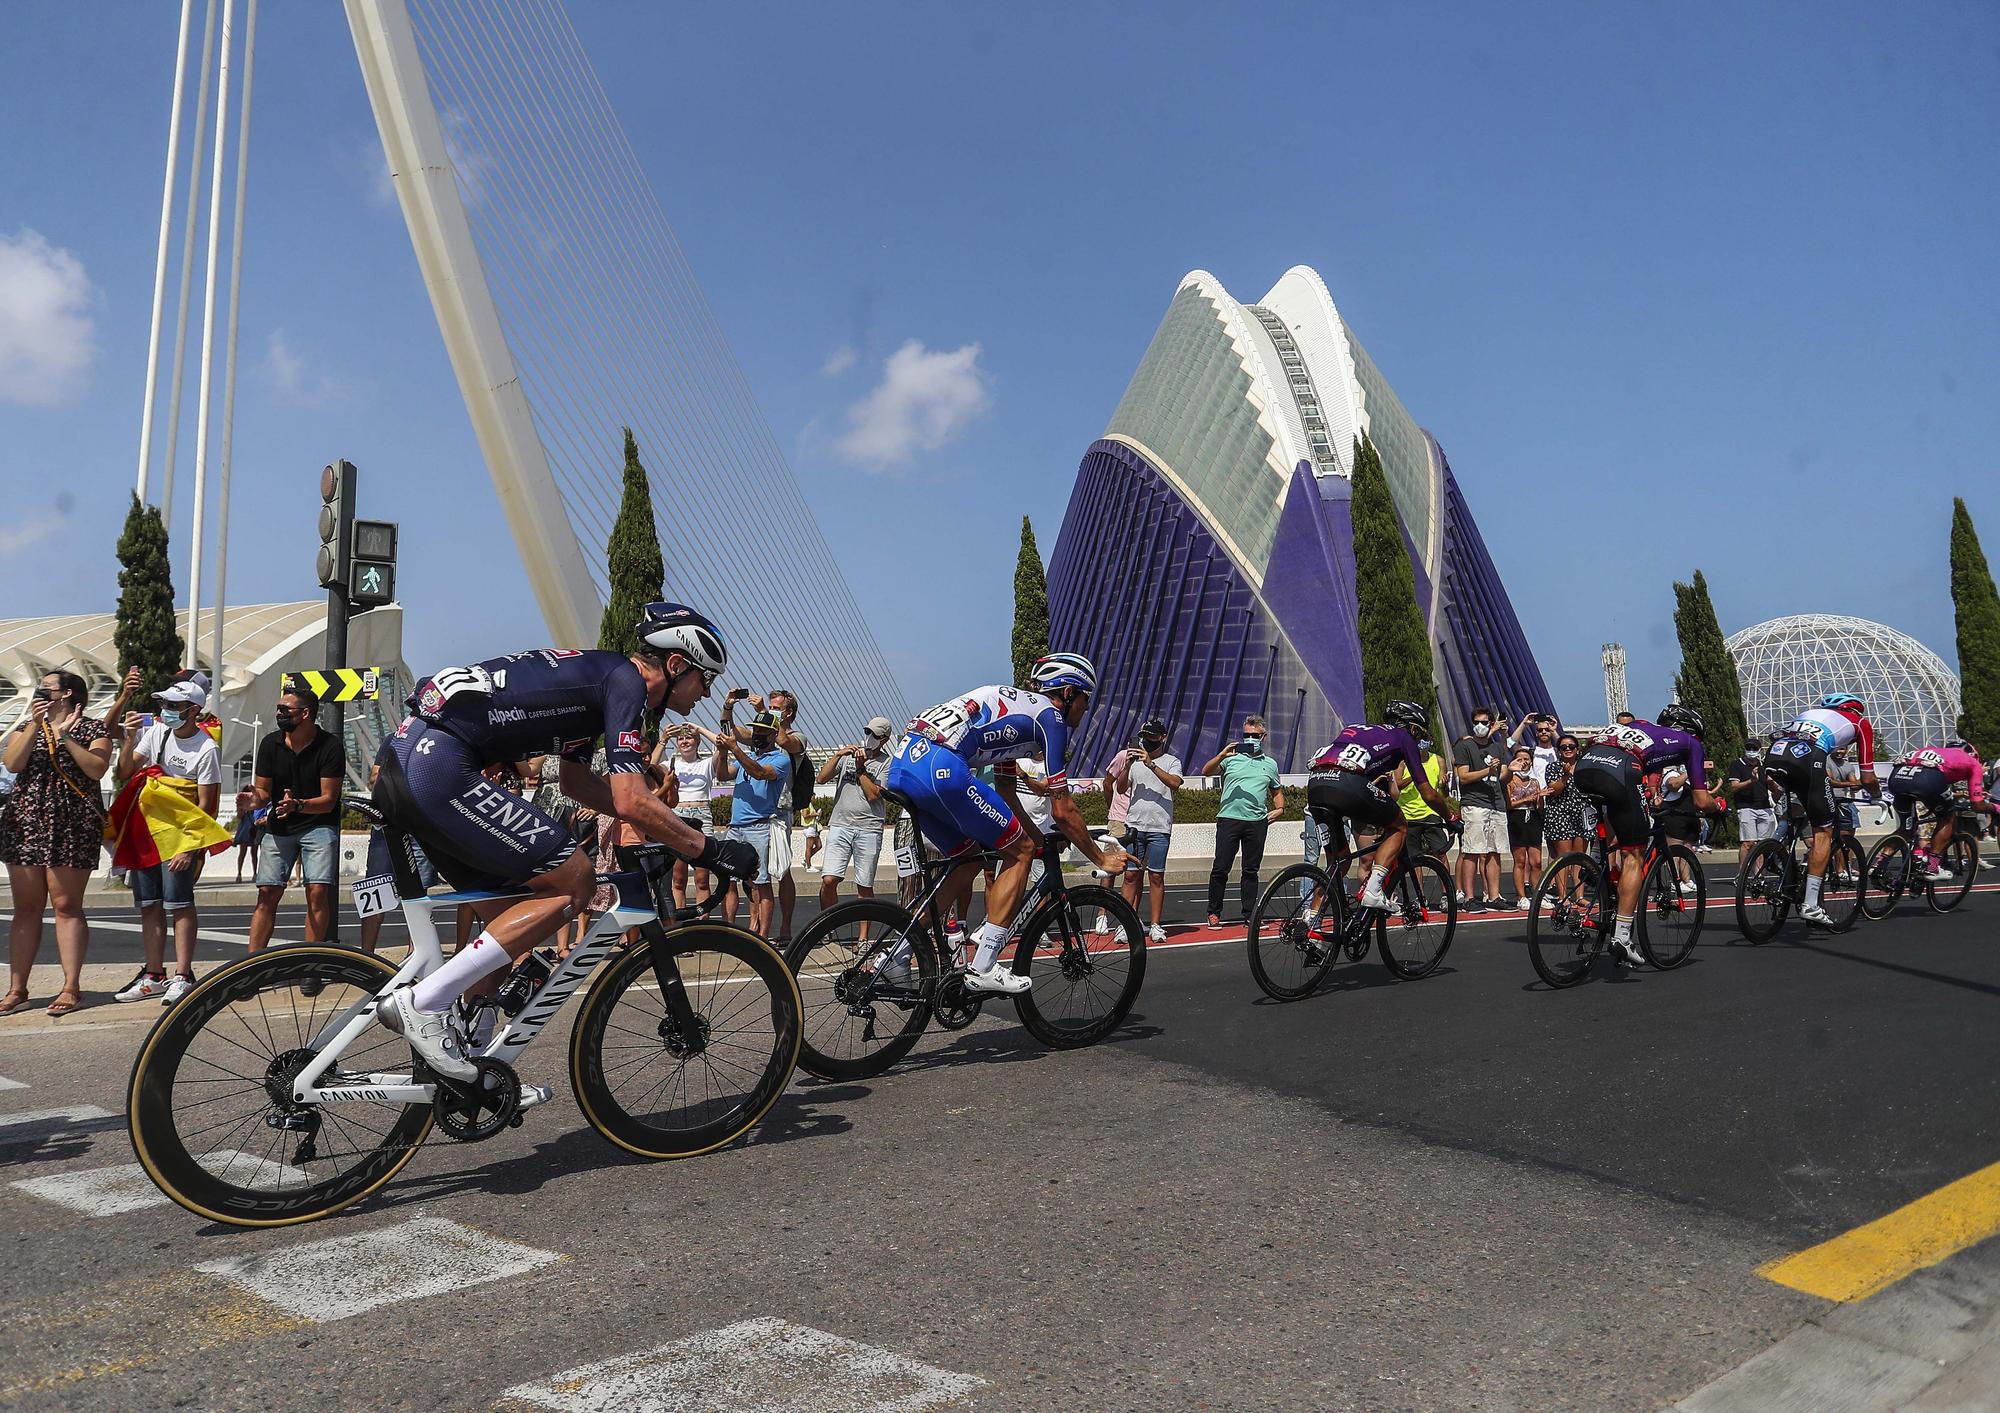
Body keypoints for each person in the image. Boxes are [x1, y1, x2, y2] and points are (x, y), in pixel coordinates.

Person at [370, 602, 758, 1084]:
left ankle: (469, 1048)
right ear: (677, 666)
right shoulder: (627, 683)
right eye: (705, 678)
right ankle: (424, 1003)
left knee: (509, 921)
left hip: (409, 759)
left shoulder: (598, 679)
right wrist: (707, 847)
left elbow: (578, 784)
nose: (705, 692)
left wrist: (665, 825)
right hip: (439, 765)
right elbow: (632, 799)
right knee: (576, 882)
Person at [884, 654, 1126, 993]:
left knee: (968, 861)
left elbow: (1006, 791)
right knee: (1020, 854)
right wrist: (1099, 858)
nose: (1086, 709)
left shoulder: (1016, 710)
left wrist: (1036, 838)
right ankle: (983, 966)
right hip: (942, 765)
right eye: (1086, 698)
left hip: (904, 766)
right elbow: (1063, 808)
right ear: (1069, 692)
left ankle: (896, 953)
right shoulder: (1049, 717)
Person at [1, 668, 124, 1016]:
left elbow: (96, 768)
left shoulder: (92, 728)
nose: (41, 691)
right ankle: (17, 988)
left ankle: (70, 986)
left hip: (70, 823)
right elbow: (12, 762)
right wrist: (38, 726)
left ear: (68, 694)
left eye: (48, 687)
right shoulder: (28, 726)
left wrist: (64, 737)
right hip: (26, 821)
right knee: (25, 907)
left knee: (66, 905)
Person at [1570, 705, 1720, 964]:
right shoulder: (1691, 742)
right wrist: (1718, 807)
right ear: (1692, 730)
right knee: (1634, 855)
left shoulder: (1641, 726)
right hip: (1620, 769)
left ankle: (1601, 872)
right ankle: (1622, 937)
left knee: (1618, 825)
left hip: (1585, 765)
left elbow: (1645, 766)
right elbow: (1700, 800)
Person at [112, 674, 224, 1003]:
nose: (165, 711)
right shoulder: (158, 731)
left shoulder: (206, 749)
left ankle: (183, 974)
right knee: (150, 905)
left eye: (173, 706)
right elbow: (124, 771)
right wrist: (129, 739)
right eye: (163, 704)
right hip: (148, 830)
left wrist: (190, 849)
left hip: (180, 838)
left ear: (192, 710)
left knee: (180, 904)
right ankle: (153, 974)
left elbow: (206, 807)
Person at [1305, 700, 1458, 911]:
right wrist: (1450, 818)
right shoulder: (1404, 738)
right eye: (1420, 734)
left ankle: (1311, 919)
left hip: (1316, 784)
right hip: (1346, 783)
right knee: (1399, 826)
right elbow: (1428, 793)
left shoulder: (1360, 730)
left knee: (1339, 862)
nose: (1419, 740)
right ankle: (1373, 890)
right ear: (1413, 728)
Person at [1760, 693, 1878, 926]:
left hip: (1775, 753)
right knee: (1823, 831)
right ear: (1855, 711)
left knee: (1798, 813)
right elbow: (1868, 776)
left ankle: (1779, 857)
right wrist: (1877, 796)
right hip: (1808, 758)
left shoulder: (1809, 715)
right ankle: (1811, 905)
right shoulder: (1860, 722)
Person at [246, 686, 345, 953]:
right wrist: (252, 800)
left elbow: (328, 800)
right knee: (267, 893)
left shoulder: (330, 746)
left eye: (285, 710)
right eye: (278, 709)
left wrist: (297, 805)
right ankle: (251, 966)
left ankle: (309, 963)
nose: (279, 714)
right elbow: (263, 792)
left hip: (318, 825)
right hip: (280, 827)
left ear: (305, 714)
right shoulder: (270, 743)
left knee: (317, 892)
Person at [713, 702, 788, 936]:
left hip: (759, 827)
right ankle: (730, 930)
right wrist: (724, 752)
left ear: (774, 734)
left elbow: (760, 772)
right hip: (736, 826)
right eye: (755, 730)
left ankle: (762, 936)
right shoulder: (747, 757)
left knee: (761, 883)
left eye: (763, 732)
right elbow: (723, 775)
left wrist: (735, 750)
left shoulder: (780, 759)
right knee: (730, 880)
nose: (757, 735)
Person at [1201, 715, 1284, 927]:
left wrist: (1280, 809)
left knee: (1250, 870)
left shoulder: (1270, 764)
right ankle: (1213, 913)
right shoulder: (1230, 758)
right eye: (1246, 735)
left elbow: (1276, 792)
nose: (1250, 739)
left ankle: (1249, 915)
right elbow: (1206, 771)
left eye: (1254, 736)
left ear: (1263, 737)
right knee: (1220, 868)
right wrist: (1221, 754)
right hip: (1229, 819)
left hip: (1256, 822)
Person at [1113, 717, 1181, 943]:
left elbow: (1175, 783)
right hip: (1134, 826)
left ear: (1163, 738)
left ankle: (1155, 924)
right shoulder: (1135, 763)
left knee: (1156, 876)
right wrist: (1129, 764)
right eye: (1145, 737)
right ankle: (1125, 924)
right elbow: (1121, 788)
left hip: (1160, 827)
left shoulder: (1172, 761)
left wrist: (1151, 763)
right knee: (1131, 876)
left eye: (1152, 737)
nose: (1147, 741)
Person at [816, 716, 892, 912]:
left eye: (874, 734)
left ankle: (864, 938)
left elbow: (874, 795)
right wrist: (838, 756)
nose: (869, 737)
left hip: (869, 827)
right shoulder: (849, 756)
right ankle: (826, 925)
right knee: (829, 879)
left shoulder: (887, 763)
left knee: (864, 885)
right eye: (867, 732)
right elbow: (822, 778)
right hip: (841, 824)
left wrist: (860, 769)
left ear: (884, 739)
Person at [1886, 741, 1994, 876]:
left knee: (1905, 828)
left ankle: (1880, 862)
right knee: (1947, 819)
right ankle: (1932, 868)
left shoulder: (1932, 750)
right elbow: (1978, 805)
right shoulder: (1973, 763)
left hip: (1896, 778)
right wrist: (1996, 807)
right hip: (1926, 778)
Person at [1452, 706, 1510, 912]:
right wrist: (1488, 770)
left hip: (1497, 803)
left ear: (1491, 723)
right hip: (1475, 803)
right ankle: (1469, 897)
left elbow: (1502, 773)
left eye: (1484, 722)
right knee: (1472, 851)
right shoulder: (1465, 746)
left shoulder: (1497, 747)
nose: (1480, 726)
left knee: (1494, 851)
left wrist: (1509, 770)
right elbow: (1464, 776)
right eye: (1476, 722)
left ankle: (1493, 896)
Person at [667, 725, 718, 908]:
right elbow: (649, 765)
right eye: (680, 739)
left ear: (697, 742)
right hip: (678, 814)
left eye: (689, 738)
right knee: (678, 878)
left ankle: (703, 922)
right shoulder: (671, 764)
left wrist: (700, 730)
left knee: (702, 878)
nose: (684, 741)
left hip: (701, 813)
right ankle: (680, 923)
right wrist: (664, 739)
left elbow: (722, 744)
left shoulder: (706, 764)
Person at [1392, 729, 1454, 866]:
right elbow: (1397, 785)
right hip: (1408, 813)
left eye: (1426, 739)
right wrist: (1416, 775)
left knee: (1441, 852)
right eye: (1420, 739)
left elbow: (1444, 794)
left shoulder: (1438, 760)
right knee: (1413, 857)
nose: (1422, 743)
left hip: (1431, 812)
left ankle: (1447, 886)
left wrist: (1444, 785)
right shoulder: (1403, 762)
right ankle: (1418, 888)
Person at [1501, 744, 1546, 909]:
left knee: (1536, 861)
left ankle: (1537, 892)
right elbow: (1508, 804)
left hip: (1533, 818)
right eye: (1519, 759)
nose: (1523, 762)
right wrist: (1526, 799)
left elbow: (1539, 807)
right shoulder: (1509, 780)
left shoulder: (1534, 782)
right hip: (1517, 818)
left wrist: (1539, 798)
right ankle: (1521, 896)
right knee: (1520, 860)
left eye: (1527, 759)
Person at [1723, 737, 1775, 867]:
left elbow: (1772, 787)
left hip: (1764, 806)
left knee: (1761, 845)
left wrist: (1772, 783)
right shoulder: (1737, 765)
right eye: (1748, 748)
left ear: (1759, 750)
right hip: (1746, 806)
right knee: (1748, 843)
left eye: (1754, 748)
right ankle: (1741, 874)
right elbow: (1734, 787)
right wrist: (1750, 781)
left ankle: (1758, 875)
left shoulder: (1764, 765)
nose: (1751, 751)